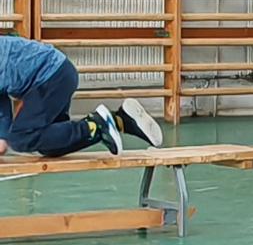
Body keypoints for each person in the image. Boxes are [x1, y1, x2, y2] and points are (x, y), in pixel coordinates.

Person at [1, 35, 162, 157]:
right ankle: (121, 120)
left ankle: (96, 124)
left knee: (21, 137)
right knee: (50, 146)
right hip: (59, 74)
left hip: (51, 77)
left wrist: (3, 138)